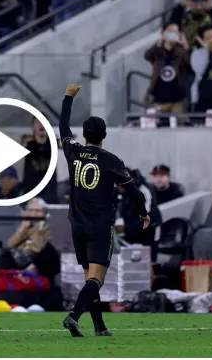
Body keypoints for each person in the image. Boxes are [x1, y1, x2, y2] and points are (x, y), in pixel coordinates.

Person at [59, 84, 148, 337]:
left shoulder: (73, 152)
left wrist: (68, 98)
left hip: (76, 224)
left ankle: (99, 326)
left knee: (90, 277)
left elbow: (63, 128)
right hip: (99, 225)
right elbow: (133, 192)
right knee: (97, 278)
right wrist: (143, 213)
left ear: (84, 135)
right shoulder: (111, 160)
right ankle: (74, 316)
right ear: (104, 135)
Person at [143, 23, 191, 113]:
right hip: (159, 98)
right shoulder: (157, 51)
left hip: (177, 99)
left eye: (176, 33)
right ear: (165, 33)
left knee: (179, 125)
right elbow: (147, 56)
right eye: (171, 33)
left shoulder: (181, 51)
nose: (173, 36)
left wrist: (185, 47)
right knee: (157, 124)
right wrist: (159, 42)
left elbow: (190, 65)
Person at [22, 116, 58, 203]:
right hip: (30, 193)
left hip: (50, 195)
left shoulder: (54, 144)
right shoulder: (27, 145)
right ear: (33, 126)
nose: (42, 124)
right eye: (38, 122)